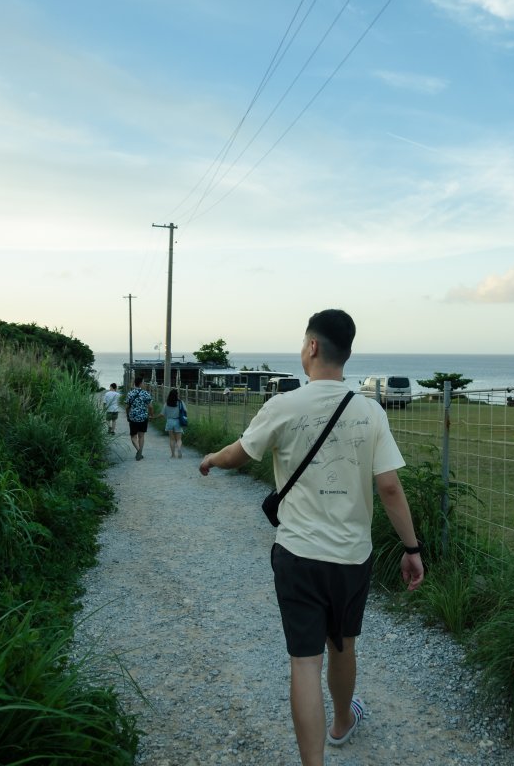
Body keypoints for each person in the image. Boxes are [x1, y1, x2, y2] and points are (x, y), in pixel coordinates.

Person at [198, 309, 424, 766]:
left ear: (312, 347)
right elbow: (389, 487)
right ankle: (342, 722)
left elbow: (240, 455)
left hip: (298, 553)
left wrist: (211, 460)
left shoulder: (284, 405)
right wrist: (411, 548)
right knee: (343, 644)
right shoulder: (370, 411)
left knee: (304, 662)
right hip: (351, 556)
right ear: (349, 353)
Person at [125, 376, 153, 461]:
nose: (144, 384)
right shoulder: (146, 394)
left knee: (133, 436)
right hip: (143, 417)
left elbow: (126, 407)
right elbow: (150, 407)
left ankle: (138, 451)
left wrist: (127, 415)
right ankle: (140, 452)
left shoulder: (130, 393)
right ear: (141, 383)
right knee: (141, 436)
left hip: (133, 417)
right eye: (143, 382)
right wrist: (151, 415)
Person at [162, 388, 186, 458]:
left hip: (169, 421)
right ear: (177, 395)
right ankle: (179, 449)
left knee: (171, 439)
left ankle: (173, 454)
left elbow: (163, 413)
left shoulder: (167, 403)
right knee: (179, 439)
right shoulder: (180, 402)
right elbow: (185, 411)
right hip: (178, 421)